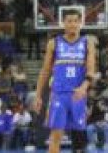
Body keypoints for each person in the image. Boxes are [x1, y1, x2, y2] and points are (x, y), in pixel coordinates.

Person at [32, 9, 96, 153]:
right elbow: (45, 71)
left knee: (80, 141)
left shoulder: (88, 42)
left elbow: (91, 70)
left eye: (75, 21)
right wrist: (38, 96)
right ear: (64, 23)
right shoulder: (53, 43)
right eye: (69, 21)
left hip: (78, 95)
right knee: (55, 137)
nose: (72, 24)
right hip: (59, 94)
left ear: (80, 23)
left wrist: (84, 87)